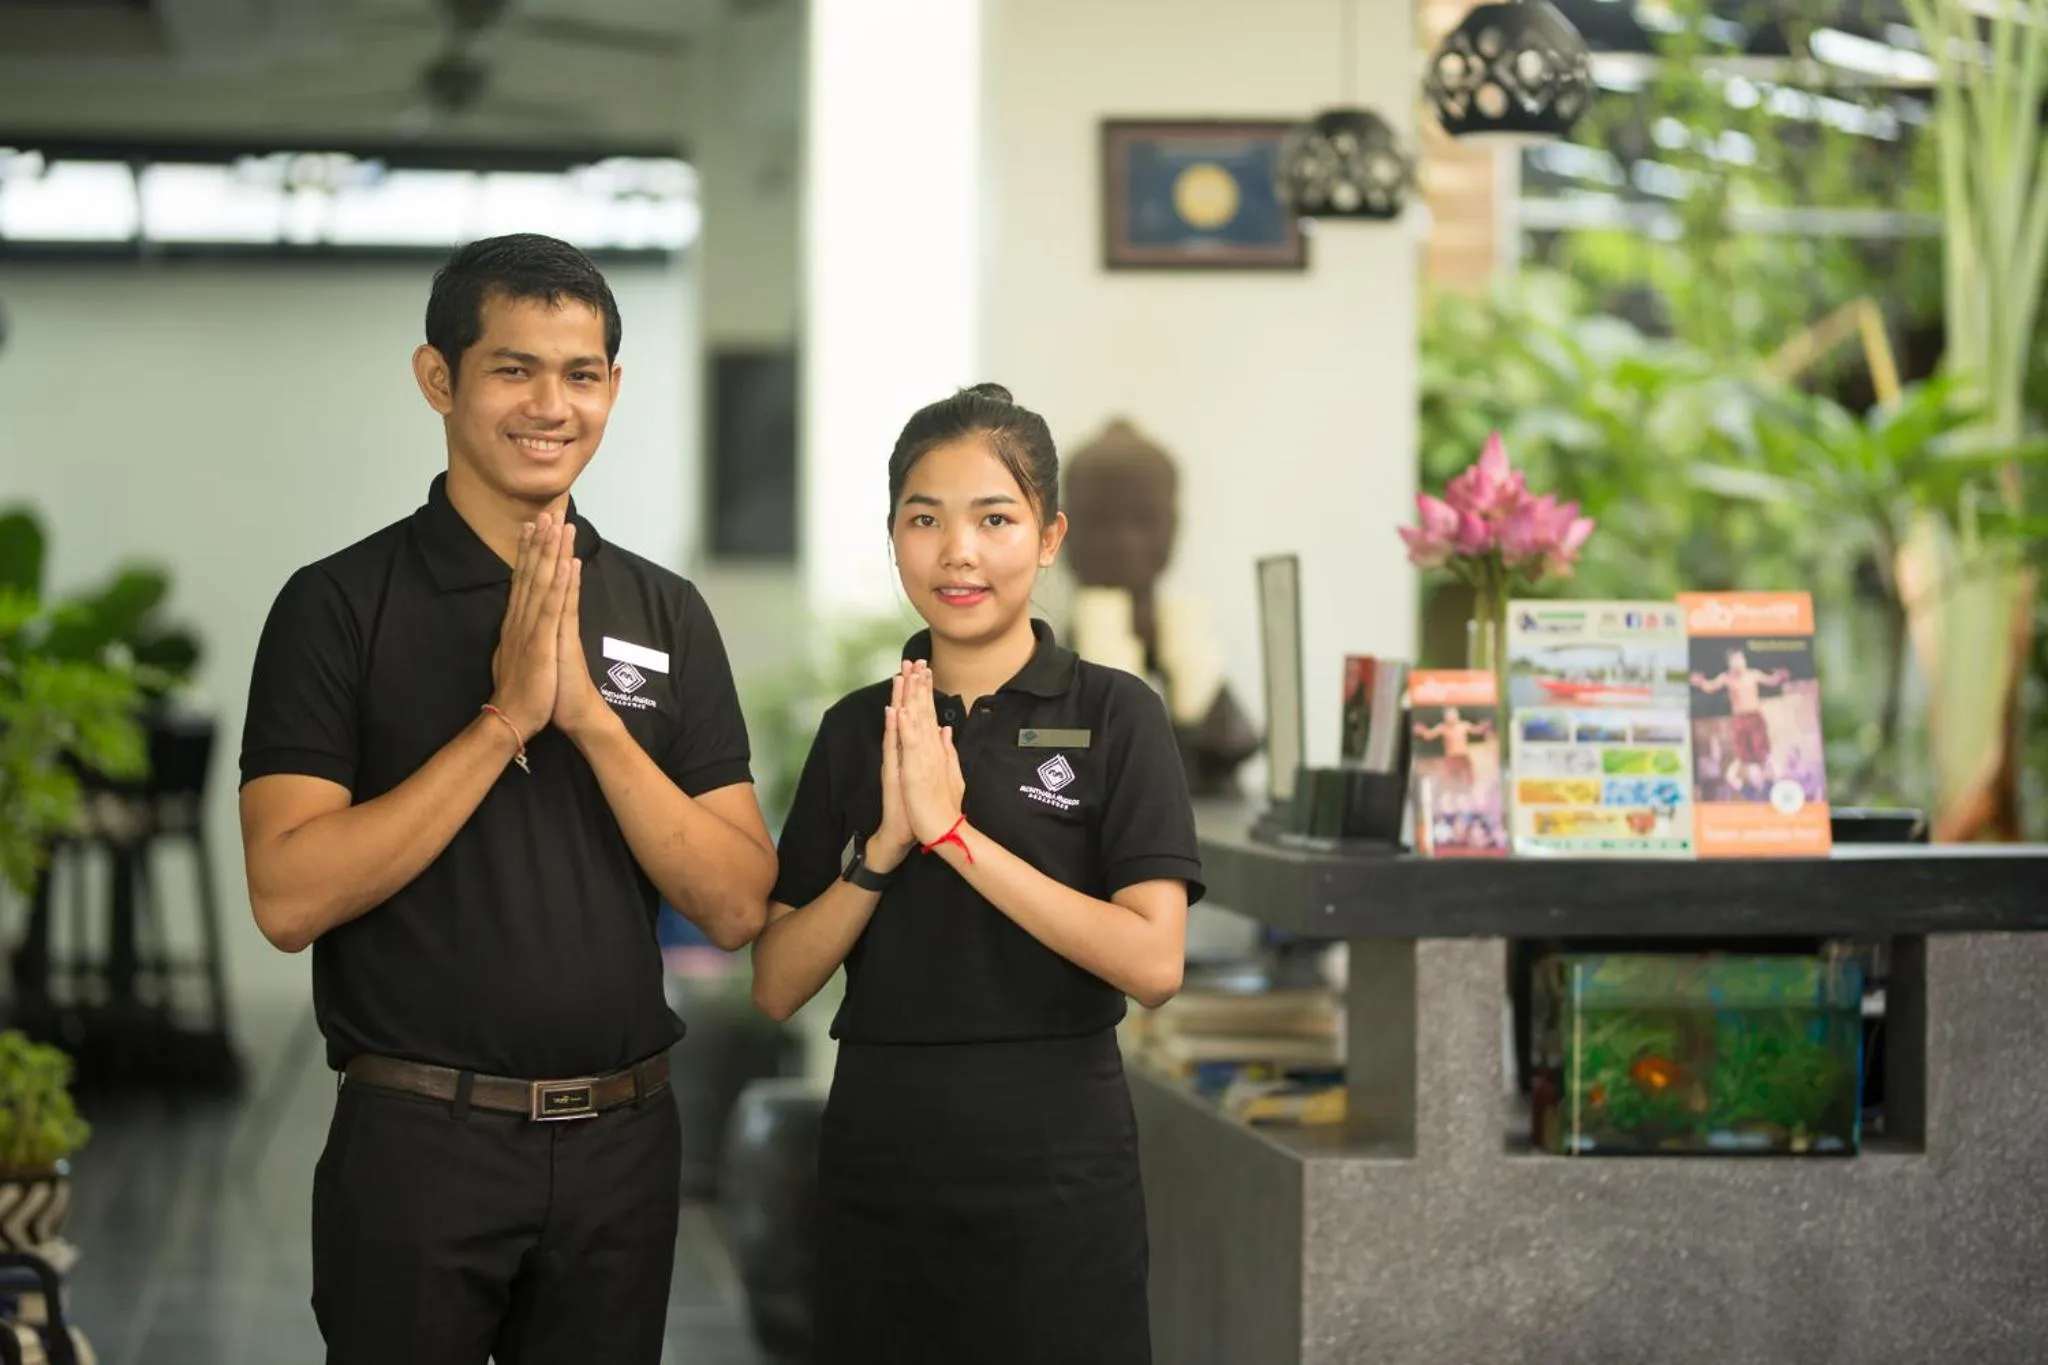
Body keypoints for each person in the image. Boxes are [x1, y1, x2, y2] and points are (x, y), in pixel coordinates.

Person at [236, 233, 776, 1364]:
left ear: (613, 387)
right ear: (438, 378)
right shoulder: (338, 606)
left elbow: (735, 904)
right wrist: (503, 722)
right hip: (419, 1146)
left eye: (580, 374)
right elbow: (287, 896)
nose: (551, 405)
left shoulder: (665, 612)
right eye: (513, 369)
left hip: (624, 1146)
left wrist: (588, 718)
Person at [751, 384, 1204, 1365]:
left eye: (994, 519)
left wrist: (954, 835)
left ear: (1048, 538)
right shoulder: (855, 729)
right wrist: (882, 850)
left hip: (1059, 1165)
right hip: (880, 1158)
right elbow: (777, 983)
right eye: (925, 520)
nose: (958, 552)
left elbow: (1153, 962)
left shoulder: (1116, 714)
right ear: (894, 538)